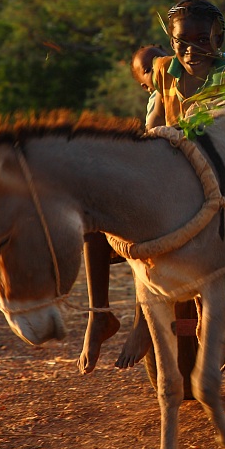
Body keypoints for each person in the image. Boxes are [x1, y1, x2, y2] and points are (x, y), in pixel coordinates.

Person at [78, 43, 170, 373]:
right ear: (144, 85)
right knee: (93, 218)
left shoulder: (188, 79)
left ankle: (144, 319)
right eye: (148, 68)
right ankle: (98, 313)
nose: (157, 66)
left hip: (177, 179)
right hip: (157, 174)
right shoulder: (157, 98)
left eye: (160, 57)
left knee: (144, 228)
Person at [148, 0, 225, 128]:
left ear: (218, 40)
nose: (191, 50)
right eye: (182, 41)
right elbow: (158, 117)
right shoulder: (164, 70)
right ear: (172, 43)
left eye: (202, 40)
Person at [131, 44, 169, 129]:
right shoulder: (155, 99)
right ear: (146, 87)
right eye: (147, 70)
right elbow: (151, 129)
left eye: (161, 61)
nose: (156, 68)